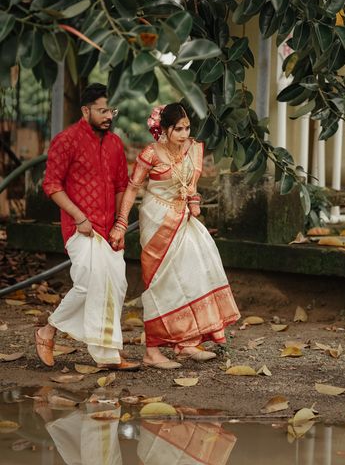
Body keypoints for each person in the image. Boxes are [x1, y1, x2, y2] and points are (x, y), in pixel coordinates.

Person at [109, 103, 240, 369]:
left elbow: (189, 184)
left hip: (184, 219)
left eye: (187, 128)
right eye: (178, 129)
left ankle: (187, 343)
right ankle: (152, 350)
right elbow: (133, 188)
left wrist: (193, 199)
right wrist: (121, 223)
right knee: (162, 283)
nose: (184, 134)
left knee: (195, 275)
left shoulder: (190, 149)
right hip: (158, 220)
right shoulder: (151, 154)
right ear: (165, 130)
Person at [35, 83, 140, 371]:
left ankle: (109, 355)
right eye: (102, 110)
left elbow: (121, 185)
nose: (109, 116)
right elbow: (52, 185)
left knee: (116, 285)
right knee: (87, 283)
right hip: (80, 228)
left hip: (109, 231)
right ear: (86, 110)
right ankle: (48, 331)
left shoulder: (115, 144)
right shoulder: (65, 140)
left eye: (111, 110)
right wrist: (79, 217)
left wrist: (120, 224)